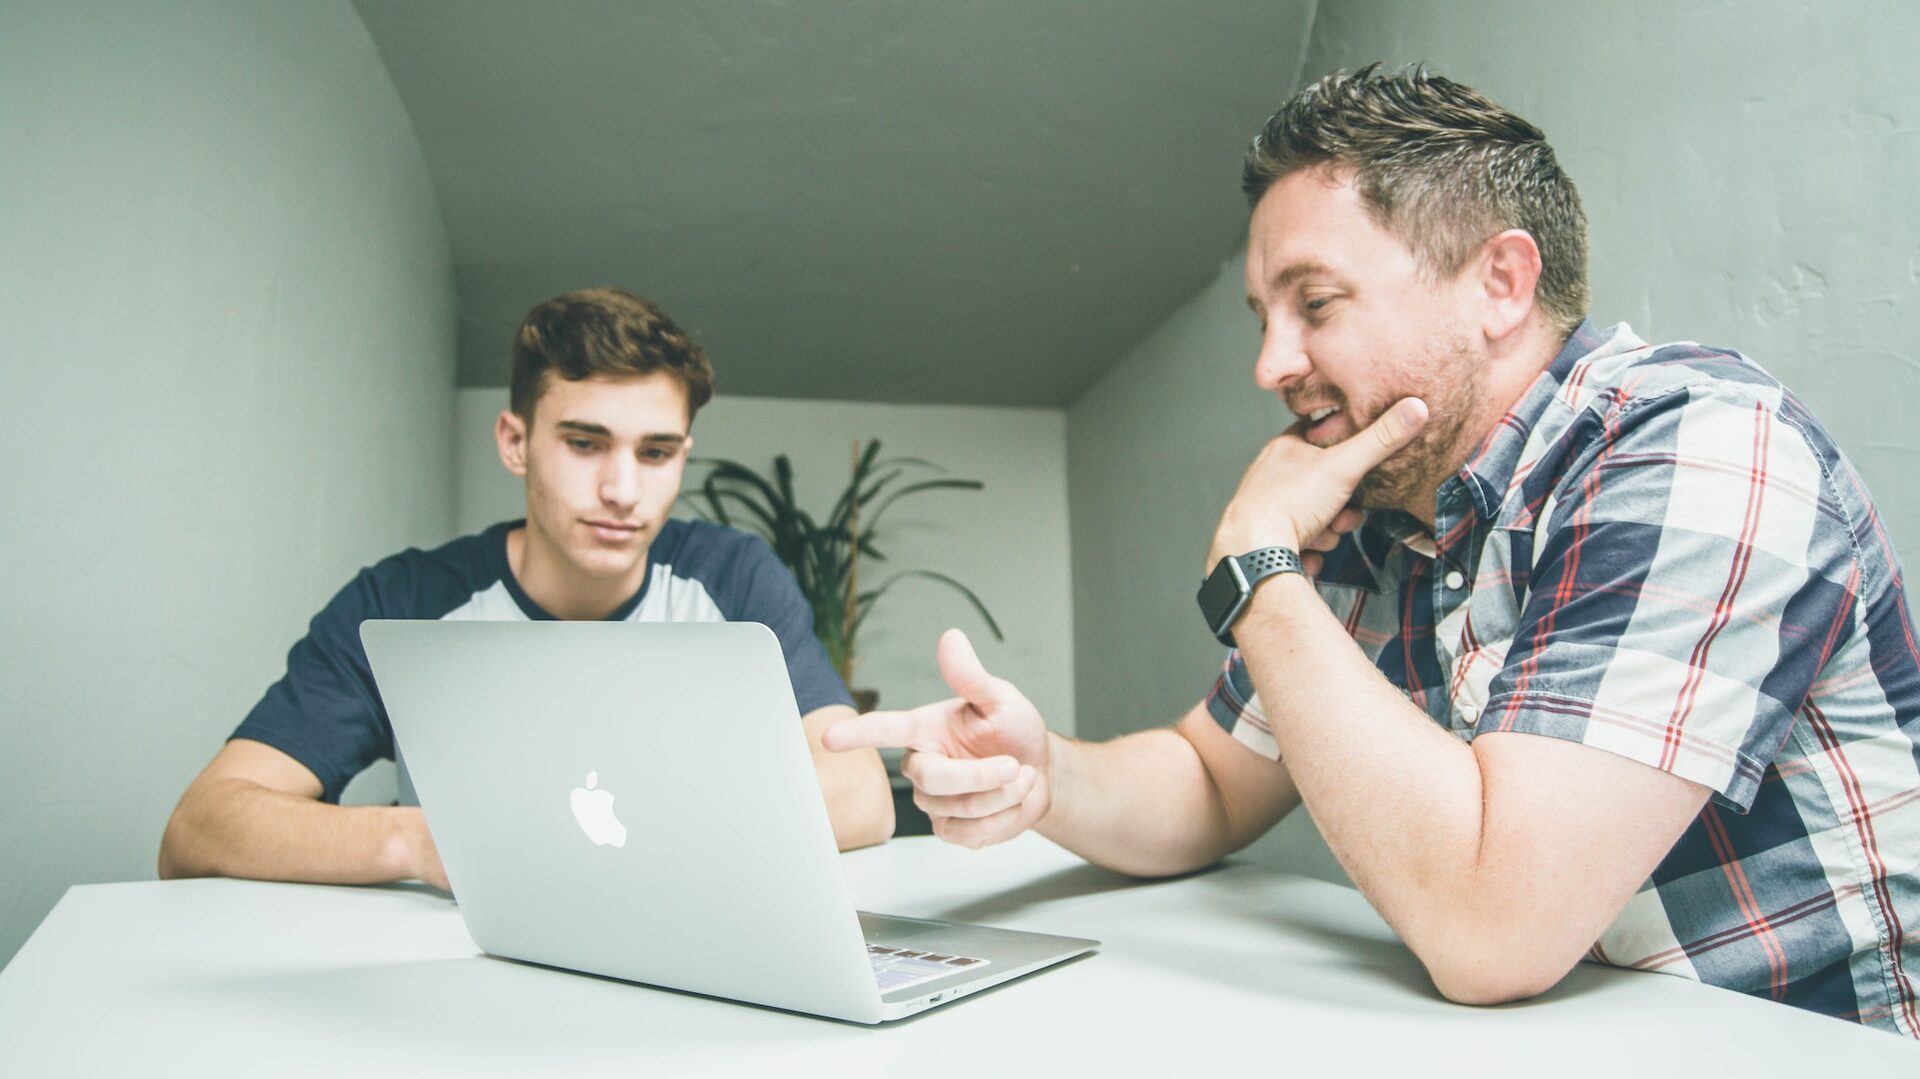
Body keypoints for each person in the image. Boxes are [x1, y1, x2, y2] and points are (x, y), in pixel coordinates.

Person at [827, 66, 1920, 1035]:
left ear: (1501, 282)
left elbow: (1496, 927)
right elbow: (1212, 777)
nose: (1271, 362)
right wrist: (1045, 773)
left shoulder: (1700, 446)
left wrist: (1258, 565)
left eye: (1315, 303)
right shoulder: (1389, 506)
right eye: (1264, 314)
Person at [161, 287, 894, 889]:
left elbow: (862, 796)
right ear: (515, 441)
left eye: (657, 452)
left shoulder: (732, 578)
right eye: (584, 443)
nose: (622, 489)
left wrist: (606, 830)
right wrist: (420, 841)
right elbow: (201, 825)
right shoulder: (404, 600)